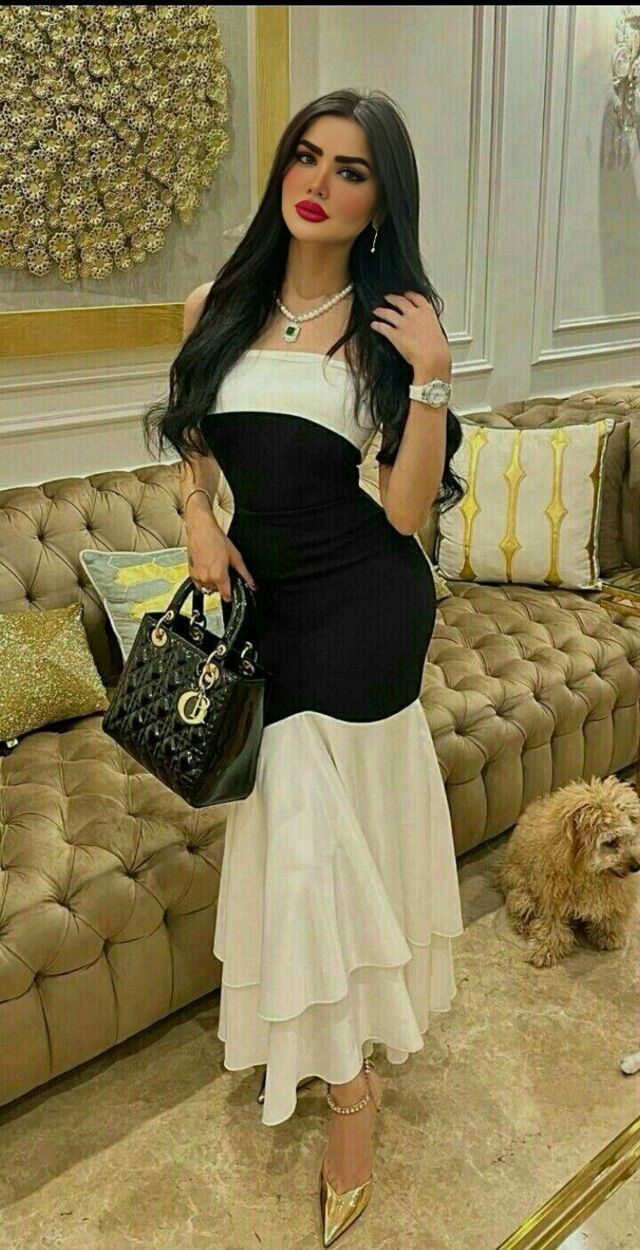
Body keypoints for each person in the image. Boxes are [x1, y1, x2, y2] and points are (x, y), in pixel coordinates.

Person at [143, 87, 466, 1248]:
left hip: (366, 609)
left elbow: (408, 511)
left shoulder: (391, 326)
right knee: (301, 845)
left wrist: (431, 377)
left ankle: (351, 1094)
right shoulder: (215, 304)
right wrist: (197, 516)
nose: (319, 181)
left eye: (352, 169)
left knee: (321, 840)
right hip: (264, 610)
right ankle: (342, 1058)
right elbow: (193, 435)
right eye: (307, 156)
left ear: (381, 201)